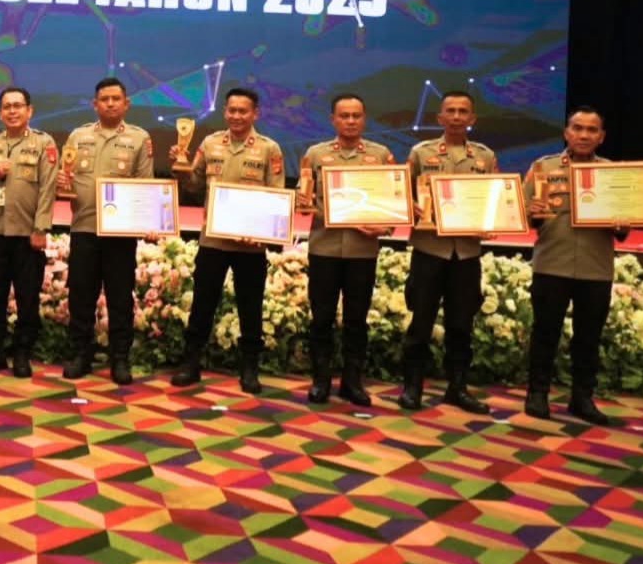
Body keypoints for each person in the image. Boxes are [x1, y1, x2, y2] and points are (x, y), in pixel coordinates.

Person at [169, 87, 284, 391]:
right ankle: (191, 363)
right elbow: (194, 187)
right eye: (231, 110)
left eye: (243, 111)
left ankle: (249, 369)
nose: (236, 116)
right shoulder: (209, 143)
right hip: (213, 241)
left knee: (250, 307)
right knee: (203, 304)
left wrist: (261, 233)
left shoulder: (269, 149)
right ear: (225, 112)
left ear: (255, 113)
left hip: (250, 246)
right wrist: (181, 168)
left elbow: (277, 197)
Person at [522, 106, 628, 426]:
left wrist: (623, 222)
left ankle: (582, 398)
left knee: (588, 337)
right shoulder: (542, 167)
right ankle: (537, 394)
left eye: (591, 130)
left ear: (601, 137)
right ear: (566, 133)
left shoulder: (613, 174)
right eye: (578, 128)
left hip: (596, 267)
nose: (584, 135)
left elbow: (623, 229)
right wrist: (532, 212)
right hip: (552, 263)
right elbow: (524, 214)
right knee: (545, 333)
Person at [398, 91, 495, 413]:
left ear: (472, 119)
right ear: (439, 118)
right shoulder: (420, 153)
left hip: (466, 254)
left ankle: (458, 388)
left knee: (461, 325)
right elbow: (402, 194)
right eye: (450, 111)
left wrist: (495, 218)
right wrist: (410, 207)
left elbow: (496, 199)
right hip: (429, 250)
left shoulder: (485, 157)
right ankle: (412, 387)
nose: (456, 116)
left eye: (462, 111)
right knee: (420, 323)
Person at [297, 93, 395, 406]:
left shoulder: (381, 156)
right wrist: (308, 205)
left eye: (356, 116)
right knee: (321, 318)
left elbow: (394, 203)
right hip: (324, 248)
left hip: (362, 251)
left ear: (364, 119)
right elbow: (303, 200)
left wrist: (385, 227)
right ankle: (321, 381)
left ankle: (352, 382)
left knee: (357, 319)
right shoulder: (315, 155)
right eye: (344, 116)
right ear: (333, 120)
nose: (350, 121)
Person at [58, 77, 154, 385]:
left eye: (116, 99)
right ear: (94, 104)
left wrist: (149, 221)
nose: (110, 104)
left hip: (120, 234)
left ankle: (120, 359)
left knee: (120, 298)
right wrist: (63, 184)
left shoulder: (139, 139)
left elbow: (145, 187)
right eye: (104, 99)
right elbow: (66, 179)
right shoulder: (78, 136)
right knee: (81, 297)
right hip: (84, 228)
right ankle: (80, 355)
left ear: (127, 104)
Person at [0, 86, 58, 378]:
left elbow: (48, 188)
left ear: (29, 111)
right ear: (0, 112)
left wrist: (41, 228)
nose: (12, 111)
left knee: (27, 298)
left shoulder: (43, 143)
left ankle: (22, 354)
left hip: (27, 234)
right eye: (7, 106)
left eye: (18, 106)